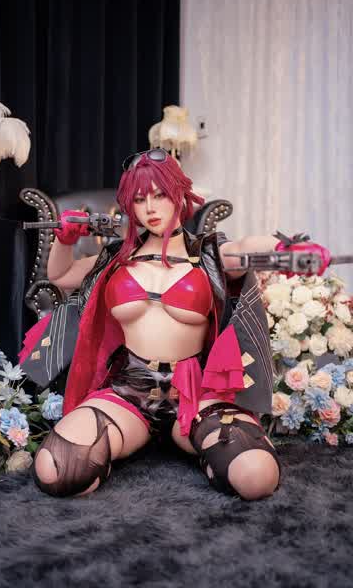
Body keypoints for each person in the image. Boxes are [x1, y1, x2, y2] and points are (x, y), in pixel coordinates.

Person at [20, 148, 330, 500]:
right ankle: (129, 446)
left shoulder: (211, 254)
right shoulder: (115, 257)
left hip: (196, 395)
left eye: (160, 195)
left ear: (180, 194)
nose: (150, 208)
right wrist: (65, 241)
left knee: (257, 477)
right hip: (129, 391)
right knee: (56, 470)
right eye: (140, 199)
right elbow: (60, 276)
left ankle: (204, 449)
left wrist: (286, 251)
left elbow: (247, 247)